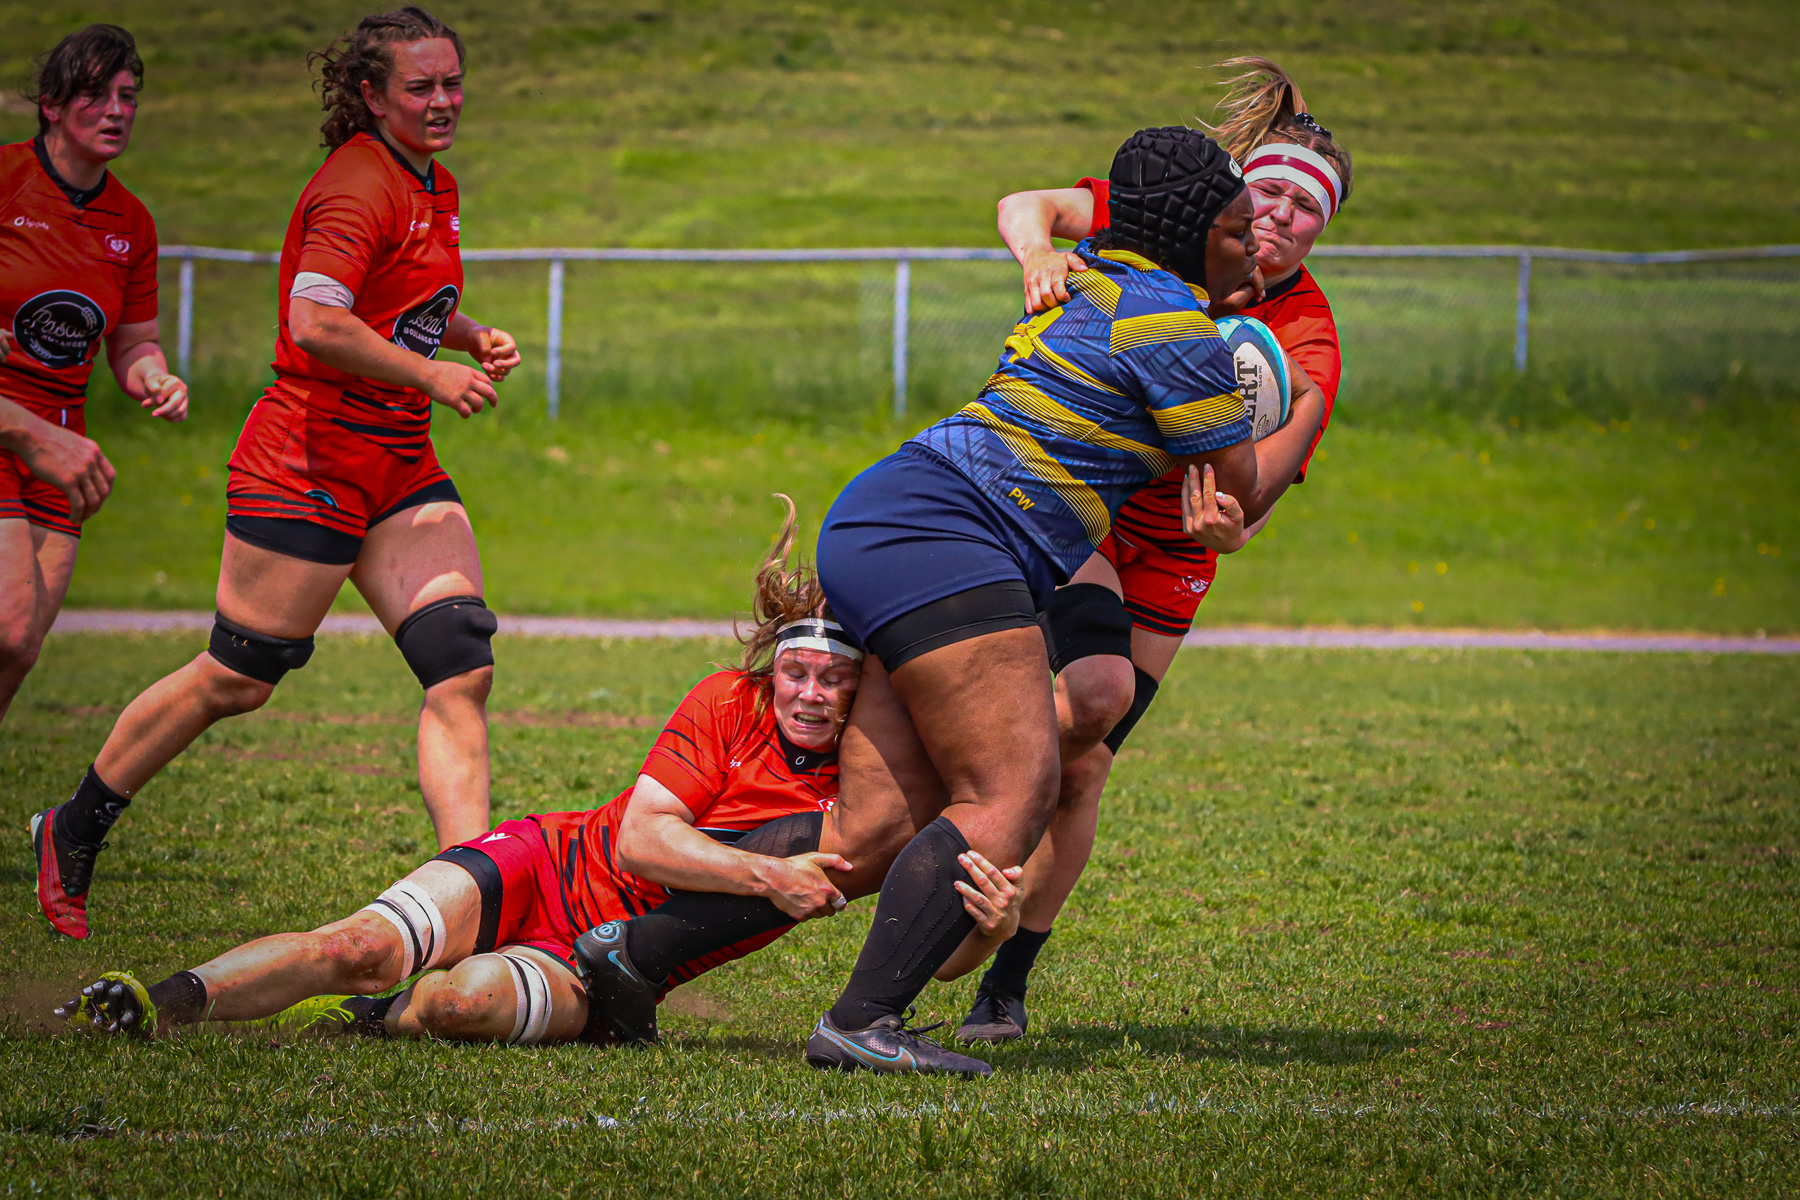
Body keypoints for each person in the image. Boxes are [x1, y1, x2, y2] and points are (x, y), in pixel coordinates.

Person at [582, 126, 1325, 1077]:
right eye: (1234, 226)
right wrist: (1299, 400)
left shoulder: (1098, 273)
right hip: (951, 539)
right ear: (1191, 232)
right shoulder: (1176, 330)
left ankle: (629, 956)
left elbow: (1047, 226)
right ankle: (863, 1022)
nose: (1251, 242)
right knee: (1016, 788)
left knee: (877, 828)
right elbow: (1241, 487)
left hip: (891, 513)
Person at [58, 504, 1022, 1046]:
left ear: (862, 693)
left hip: (609, 960)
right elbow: (645, 838)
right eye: (799, 674)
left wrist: (989, 928)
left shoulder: (874, 801)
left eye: (835, 681)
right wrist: (763, 873)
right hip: (552, 859)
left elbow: (931, 962)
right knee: (358, 940)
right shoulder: (727, 698)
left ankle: (373, 1021)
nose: (810, 696)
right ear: (777, 666)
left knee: (459, 1002)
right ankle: (160, 1001)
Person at [31, 6, 522, 941]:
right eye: (419, 86)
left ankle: (477, 896)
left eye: (451, 81)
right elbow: (316, 321)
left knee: (460, 662)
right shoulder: (355, 185)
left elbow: (399, 297)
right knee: (241, 673)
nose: (442, 100)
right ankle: (77, 820)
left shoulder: (435, 184)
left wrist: (466, 332)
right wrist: (435, 372)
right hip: (307, 455)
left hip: (398, 460)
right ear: (371, 94)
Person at [957, 57, 1354, 1043]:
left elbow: (1265, 480)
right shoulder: (1174, 220)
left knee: (1084, 768)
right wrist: (1037, 259)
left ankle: (1003, 983)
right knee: (1050, 714)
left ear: (1324, 231)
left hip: (1173, 549)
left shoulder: (1306, 337)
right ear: (1235, 185)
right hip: (1078, 499)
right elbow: (1024, 205)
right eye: (1269, 191)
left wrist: (1236, 521)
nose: (1280, 217)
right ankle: (955, 813)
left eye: (1307, 211)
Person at [1, 24, 188, 730]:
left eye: (128, 96)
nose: (116, 110)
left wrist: (155, 378)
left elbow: (134, 341)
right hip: (6, 427)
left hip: (66, 452)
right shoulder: (5, 179)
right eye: (95, 94)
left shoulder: (132, 222)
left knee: (19, 651)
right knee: (9, 626)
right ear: (51, 104)